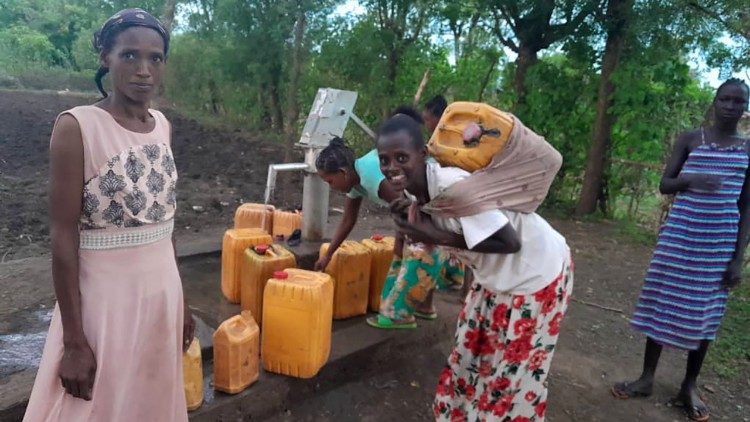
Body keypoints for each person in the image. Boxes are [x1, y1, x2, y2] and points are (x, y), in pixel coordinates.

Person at [24, 9, 192, 421]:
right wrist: (75, 341)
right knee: (95, 407)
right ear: (105, 57)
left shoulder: (163, 126)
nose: (143, 70)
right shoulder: (77, 127)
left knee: (148, 403)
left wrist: (182, 303)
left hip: (161, 297)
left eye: (155, 58)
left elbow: (165, 224)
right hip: (106, 306)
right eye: (129, 56)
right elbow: (63, 239)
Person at [376, 114, 573, 420]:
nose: (392, 168)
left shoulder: (454, 186)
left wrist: (432, 234)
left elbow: (509, 241)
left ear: (423, 155)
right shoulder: (418, 191)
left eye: (401, 157)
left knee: (509, 377)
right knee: (468, 359)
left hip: (535, 274)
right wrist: (415, 226)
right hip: (493, 279)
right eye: (384, 160)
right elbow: (453, 237)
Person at [612, 78, 750, 422]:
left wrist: (738, 258)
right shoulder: (691, 139)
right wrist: (692, 181)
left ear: (745, 107)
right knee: (662, 303)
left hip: (718, 245)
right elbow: (664, 184)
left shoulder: (748, 149)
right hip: (679, 239)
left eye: (739, 101)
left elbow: (747, 206)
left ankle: (689, 385)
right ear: (714, 102)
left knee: (706, 315)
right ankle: (646, 378)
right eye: (726, 100)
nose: (731, 106)